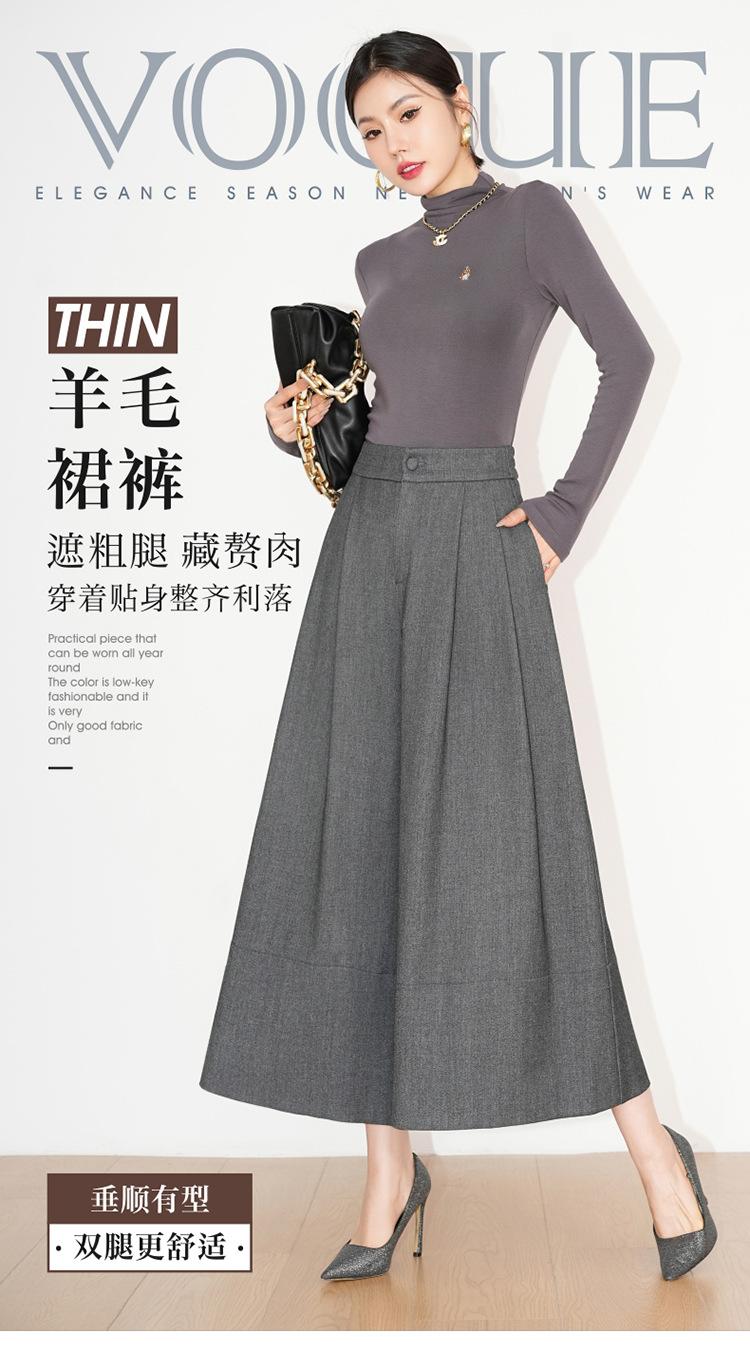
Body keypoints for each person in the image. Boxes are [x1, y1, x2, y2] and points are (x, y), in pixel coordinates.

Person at [200, 30, 717, 1284]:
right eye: (370, 130)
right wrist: (295, 423)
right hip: (370, 551)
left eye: (408, 112)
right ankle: (390, 1171)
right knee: (360, 843)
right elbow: (376, 422)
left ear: (458, 103)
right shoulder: (377, 262)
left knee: (527, 853)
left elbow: (631, 357)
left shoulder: (532, 217)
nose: (394, 143)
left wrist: (560, 515)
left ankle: (656, 1154)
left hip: (484, 547)